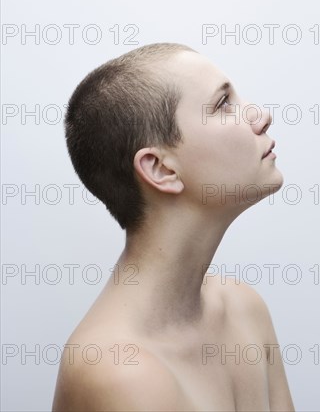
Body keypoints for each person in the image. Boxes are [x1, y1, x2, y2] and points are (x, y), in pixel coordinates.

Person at [52, 42, 295, 411]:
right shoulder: (119, 373)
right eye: (223, 104)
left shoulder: (245, 308)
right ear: (161, 169)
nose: (261, 116)